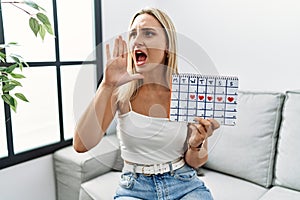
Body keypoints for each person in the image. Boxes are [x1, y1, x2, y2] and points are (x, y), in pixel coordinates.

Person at [74, 7, 220, 200]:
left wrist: (196, 145)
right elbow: (81, 144)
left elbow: (195, 162)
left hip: (184, 183)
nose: (137, 40)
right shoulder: (120, 91)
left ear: (168, 46)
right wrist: (106, 85)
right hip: (134, 188)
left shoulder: (187, 92)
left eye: (148, 33)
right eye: (133, 34)